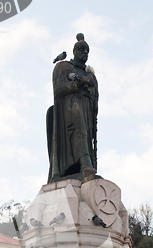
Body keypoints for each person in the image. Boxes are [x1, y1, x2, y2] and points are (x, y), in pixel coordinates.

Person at [47, 34, 98, 183]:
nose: (84, 53)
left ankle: (87, 166)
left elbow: (95, 98)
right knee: (78, 124)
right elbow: (59, 89)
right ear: (74, 51)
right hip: (70, 107)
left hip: (87, 109)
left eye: (87, 50)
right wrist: (78, 84)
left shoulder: (91, 75)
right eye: (81, 49)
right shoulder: (63, 67)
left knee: (86, 134)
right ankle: (85, 164)